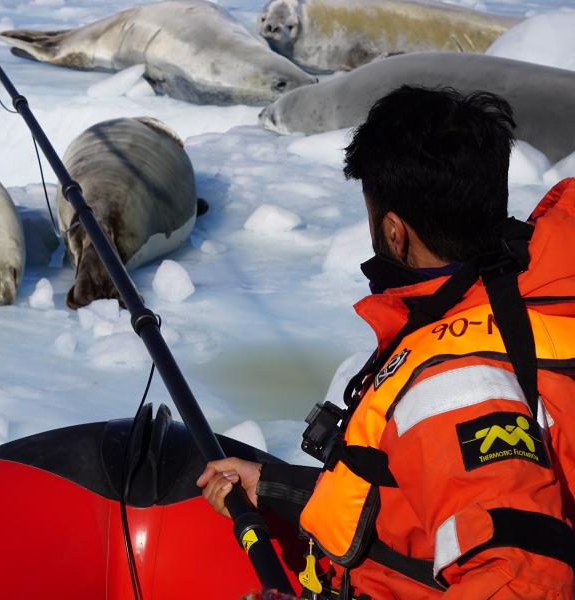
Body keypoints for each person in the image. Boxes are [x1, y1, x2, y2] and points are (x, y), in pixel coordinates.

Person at [198, 86, 575, 598]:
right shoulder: (515, 301)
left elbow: (526, 579)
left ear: (395, 232)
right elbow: (424, 490)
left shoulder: (456, 386)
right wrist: (276, 487)